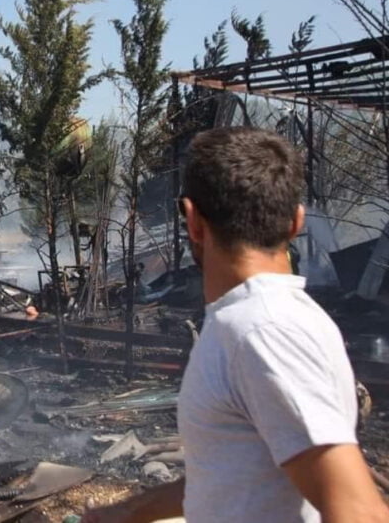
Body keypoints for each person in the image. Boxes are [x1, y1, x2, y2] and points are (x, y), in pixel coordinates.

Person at [84, 127, 389, 523]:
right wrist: (130, 511)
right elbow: (232, 473)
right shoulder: (254, 322)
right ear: (296, 222)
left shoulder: (263, 331)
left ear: (192, 220)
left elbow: (358, 512)